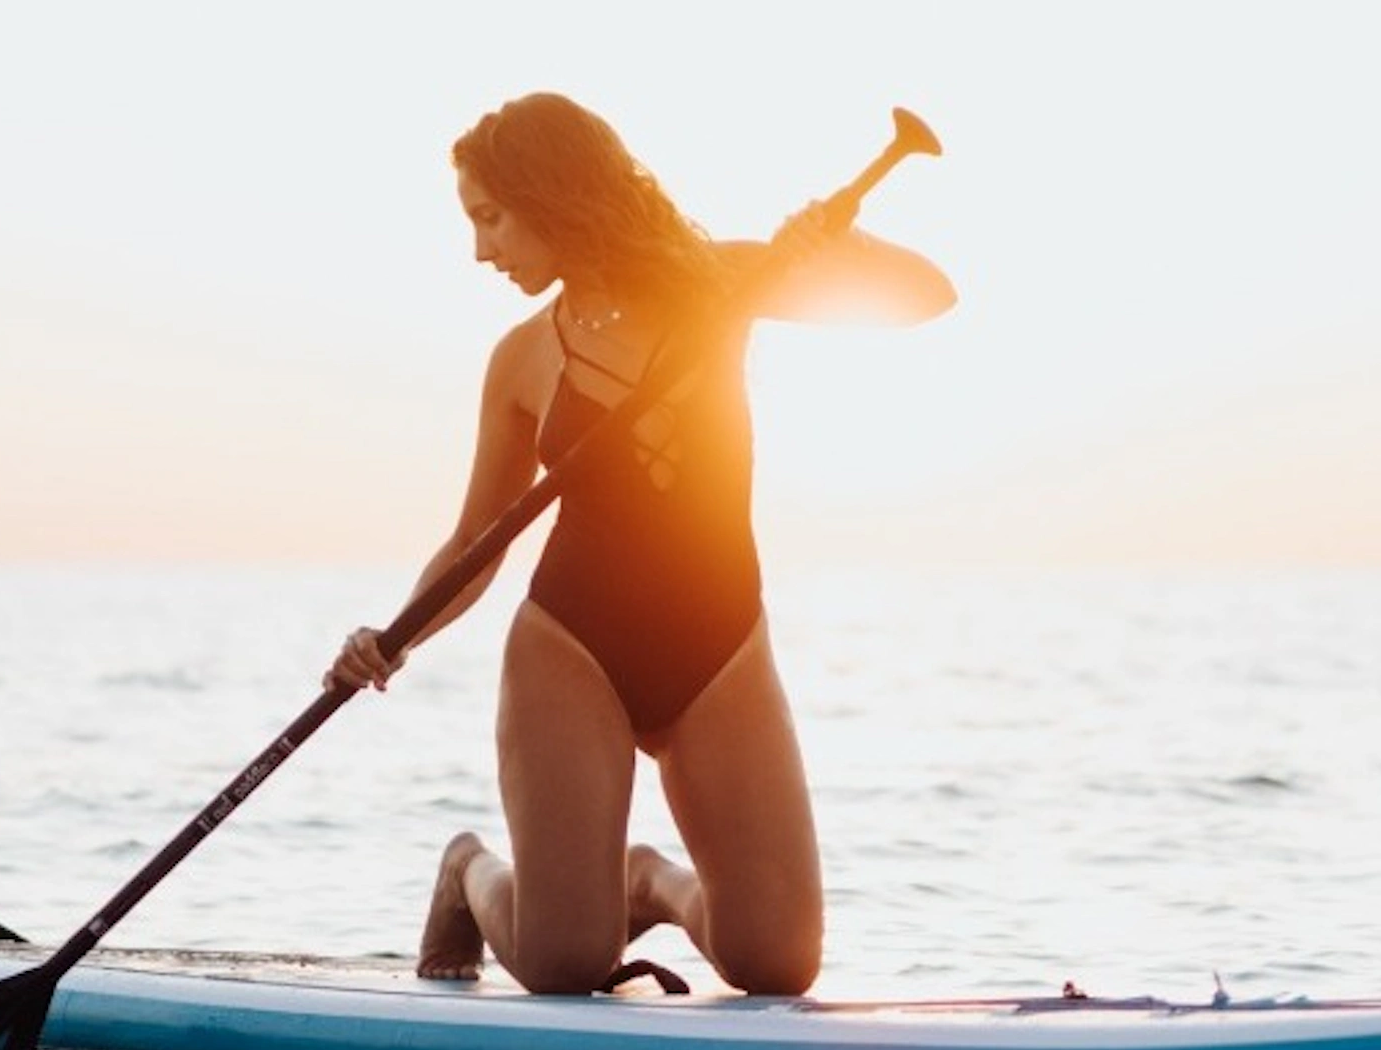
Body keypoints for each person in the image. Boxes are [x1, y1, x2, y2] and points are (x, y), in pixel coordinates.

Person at [326, 92, 955, 996]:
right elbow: (477, 540)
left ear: (555, 195)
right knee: (563, 963)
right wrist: (388, 641)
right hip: (571, 648)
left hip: (722, 646)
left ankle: (644, 879)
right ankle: (468, 869)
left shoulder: (724, 285)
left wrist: (840, 252)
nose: (481, 249)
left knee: (776, 962)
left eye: (491, 217)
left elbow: (928, 296)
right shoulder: (522, 359)